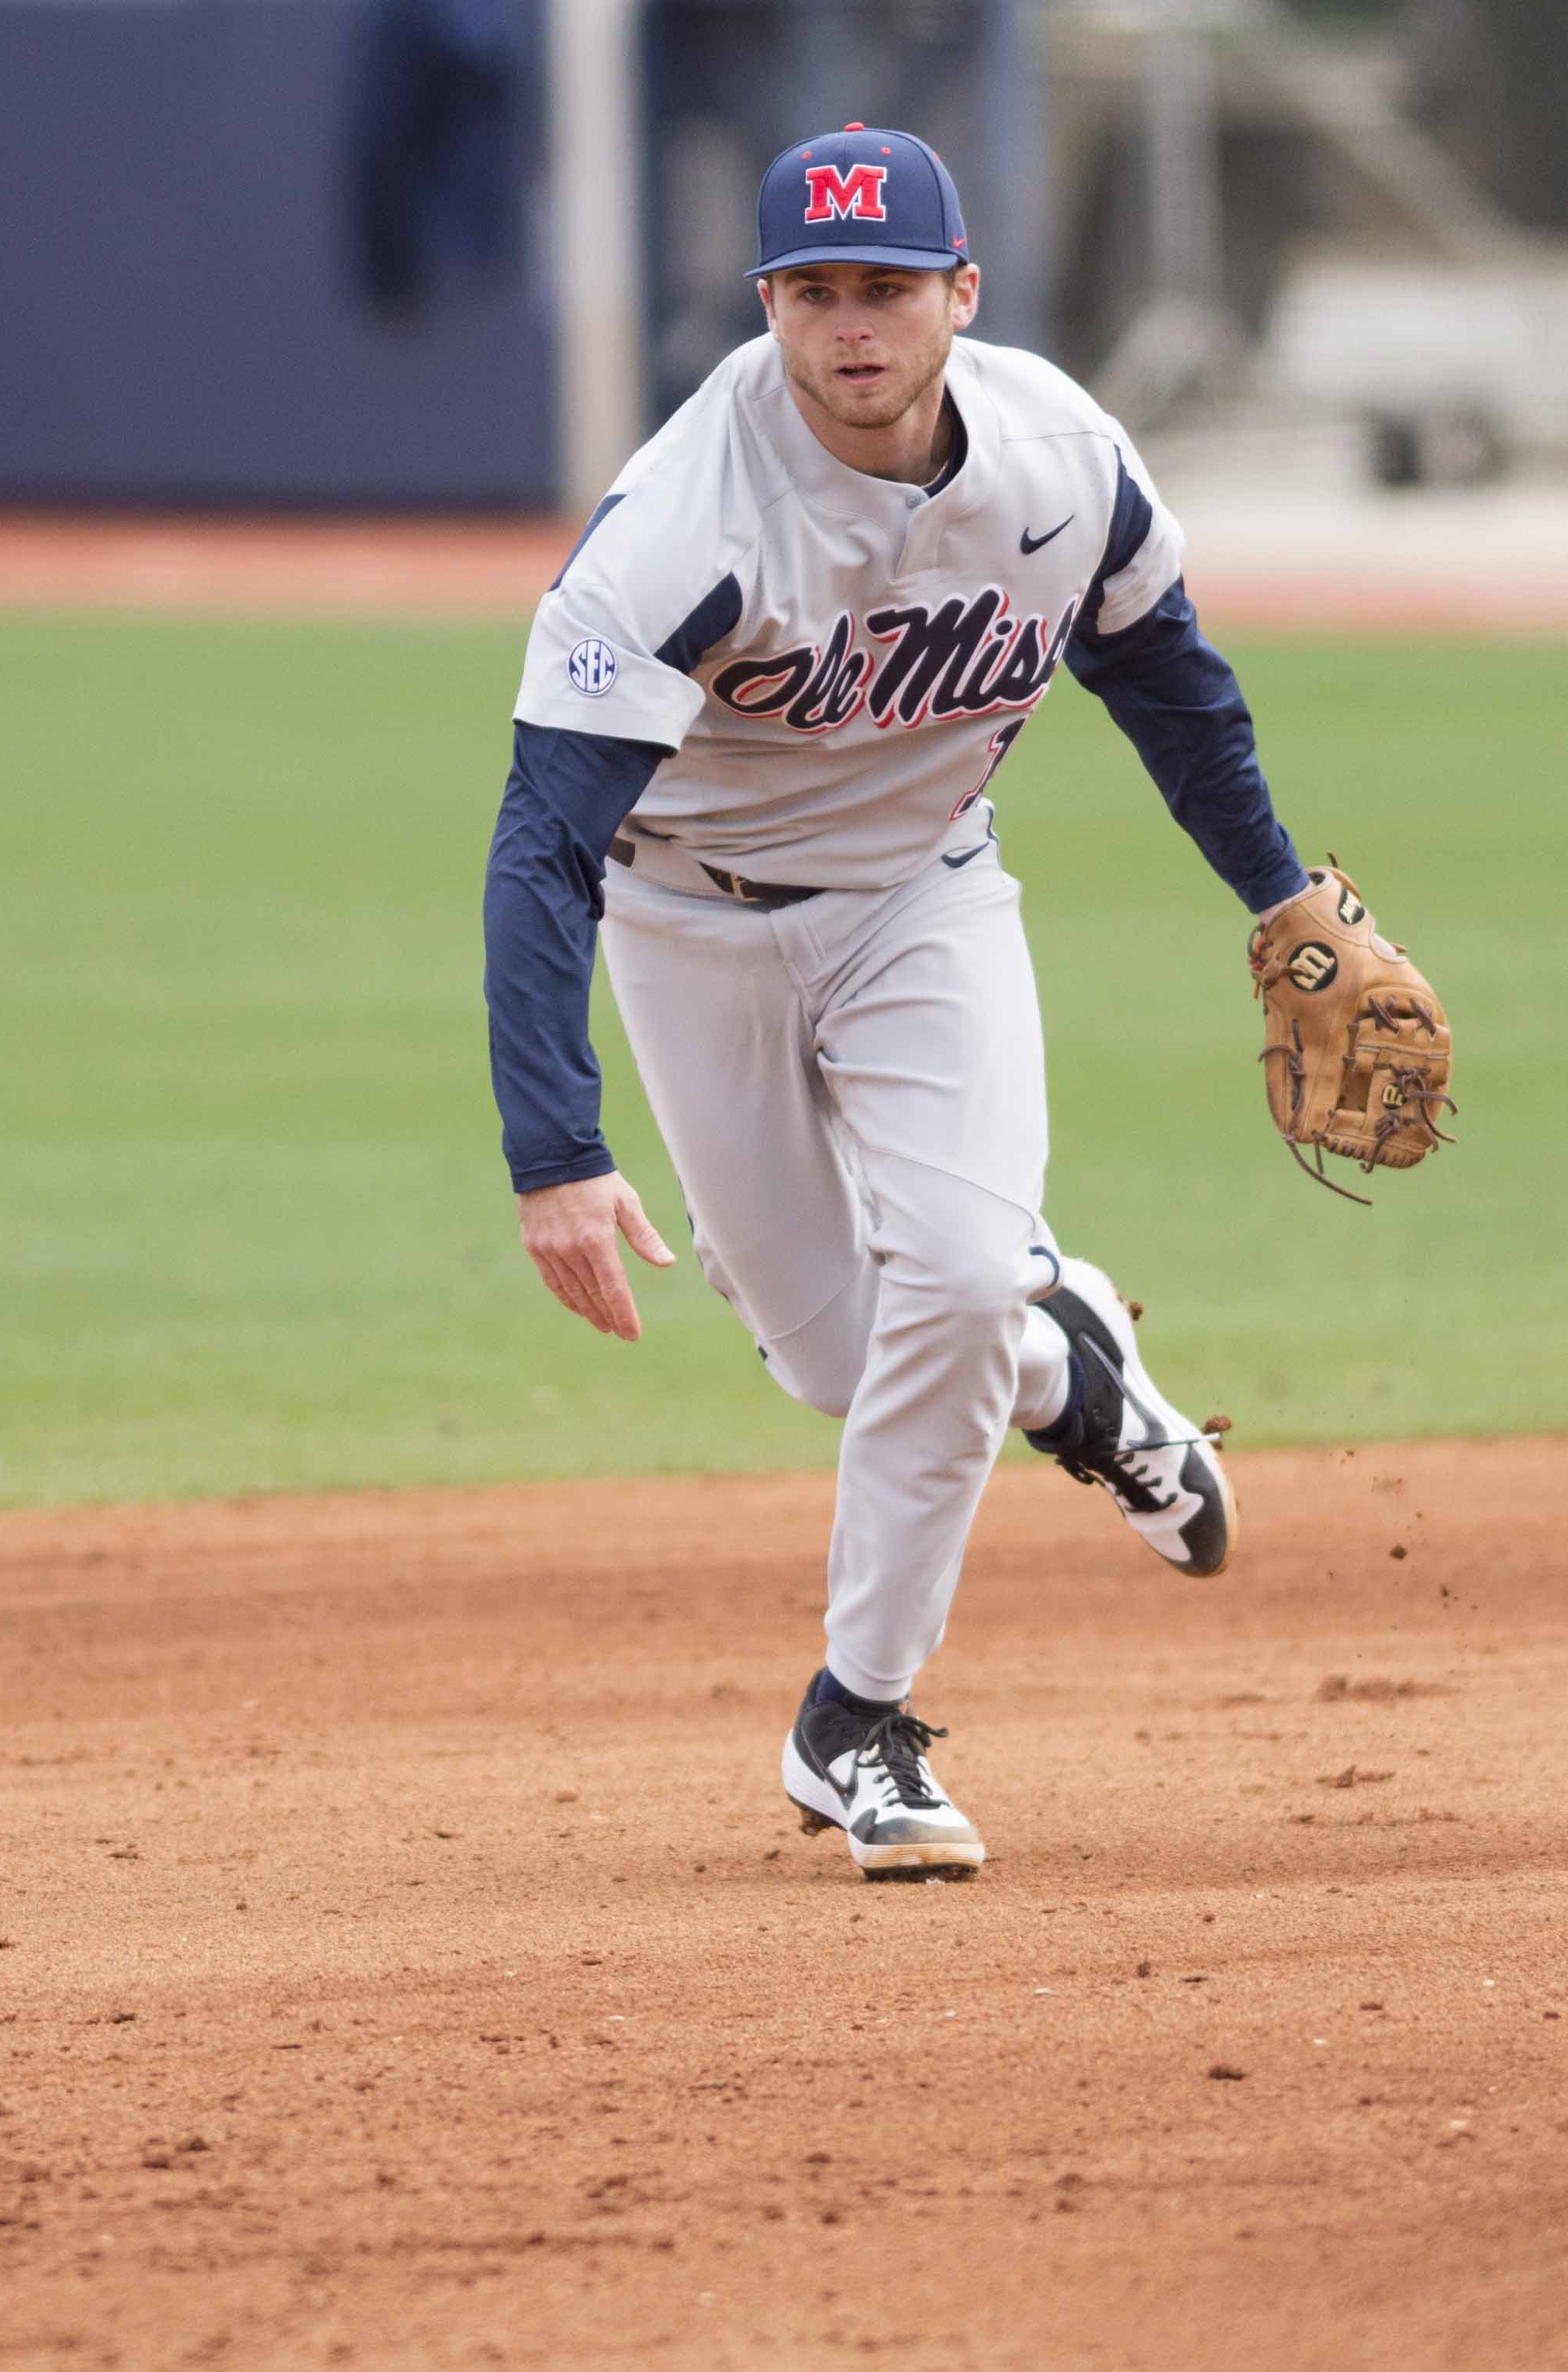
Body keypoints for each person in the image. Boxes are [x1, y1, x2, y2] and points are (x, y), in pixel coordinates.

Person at [481, 126, 1307, 1880]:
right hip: (686, 925)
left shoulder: (1064, 460)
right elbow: (543, 845)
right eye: (816, 292)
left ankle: (857, 1715)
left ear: (962, 297)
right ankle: (1069, 1372)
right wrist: (555, 1150)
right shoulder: (679, 532)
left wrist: (1284, 894)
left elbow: (1173, 687)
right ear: (770, 300)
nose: (852, 327)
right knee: (848, 1363)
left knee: (940, 1277)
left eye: (889, 290)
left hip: (924, 900)